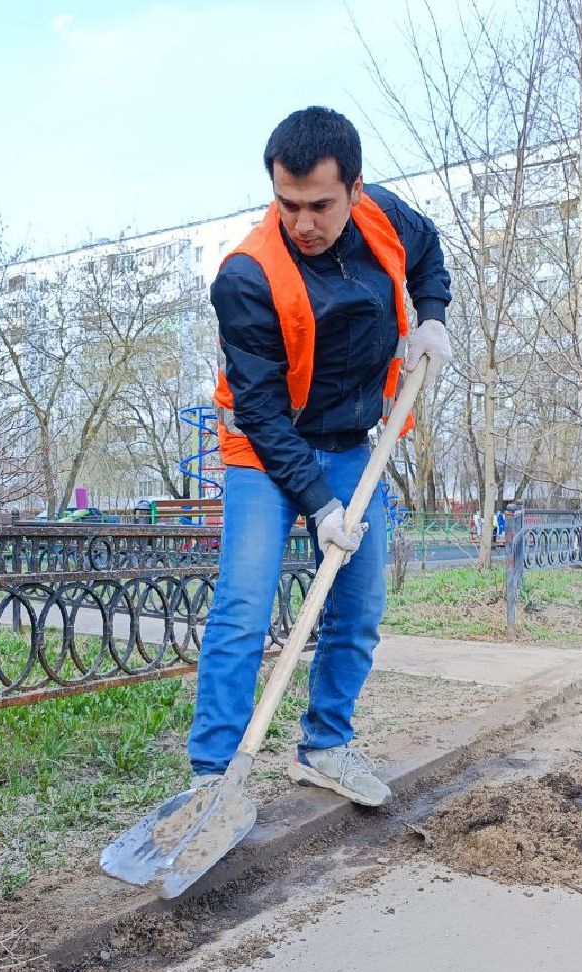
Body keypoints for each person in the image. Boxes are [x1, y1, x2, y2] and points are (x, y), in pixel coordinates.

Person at [190, 106, 452, 806]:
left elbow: (430, 257)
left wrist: (430, 317)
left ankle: (324, 747)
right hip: (264, 450)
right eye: (288, 203)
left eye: (320, 205)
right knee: (244, 606)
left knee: (359, 605)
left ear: (357, 189)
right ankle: (214, 778)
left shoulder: (386, 217)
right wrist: (320, 504)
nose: (303, 223)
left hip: (352, 445)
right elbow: (261, 412)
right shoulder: (246, 276)